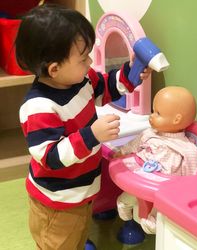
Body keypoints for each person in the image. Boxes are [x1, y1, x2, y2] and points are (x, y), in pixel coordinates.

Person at [15, 4, 151, 250]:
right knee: (57, 243)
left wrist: (130, 75)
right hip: (57, 202)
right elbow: (51, 156)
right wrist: (92, 135)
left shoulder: (82, 79)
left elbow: (106, 87)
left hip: (82, 192)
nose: (89, 62)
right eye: (83, 58)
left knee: (77, 234)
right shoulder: (38, 107)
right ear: (54, 69)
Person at [113, 86, 197, 234]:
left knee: (150, 226)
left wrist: (184, 196)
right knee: (122, 202)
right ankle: (129, 224)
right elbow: (134, 144)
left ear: (176, 119)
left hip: (164, 193)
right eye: (153, 111)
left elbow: (192, 177)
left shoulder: (187, 149)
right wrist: (121, 152)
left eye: (158, 113)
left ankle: (149, 227)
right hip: (141, 182)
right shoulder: (149, 133)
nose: (151, 116)